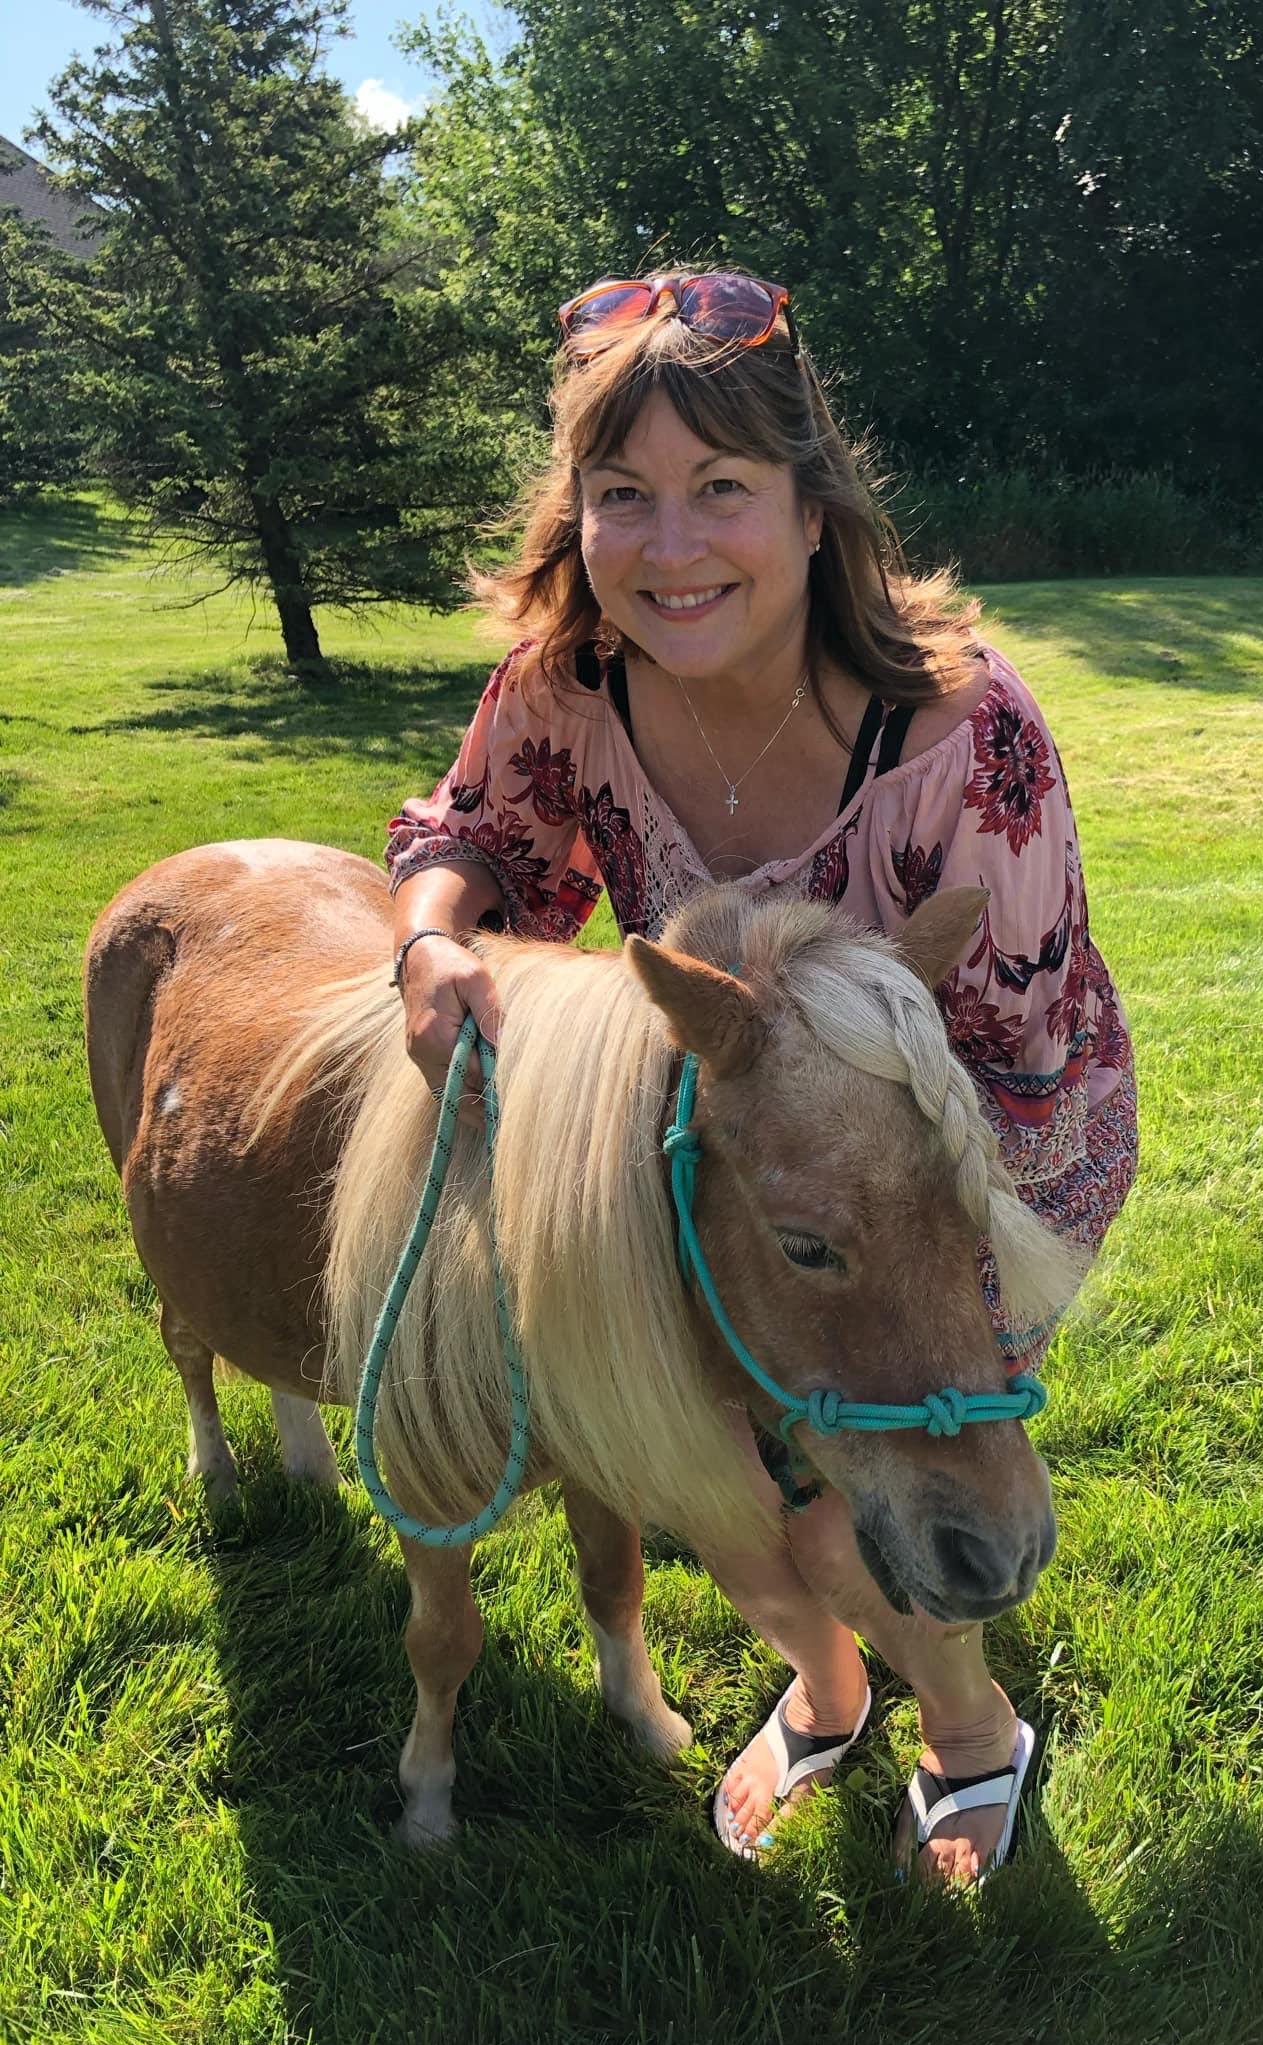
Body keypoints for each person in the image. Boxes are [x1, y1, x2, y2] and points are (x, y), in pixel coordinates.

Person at [384, 270, 1138, 1886]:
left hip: (964, 1151)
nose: (670, 549)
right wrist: (434, 938)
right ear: (574, 515)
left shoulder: (964, 732)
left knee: (835, 1490)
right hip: (731, 1142)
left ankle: (967, 1733)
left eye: (721, 489)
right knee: (694, 1459)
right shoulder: (565, 685)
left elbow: (1013, 1058)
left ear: (812, 509)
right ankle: (825, 1683)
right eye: (622, 497)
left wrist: (840, 1293)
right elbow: (469, 840)